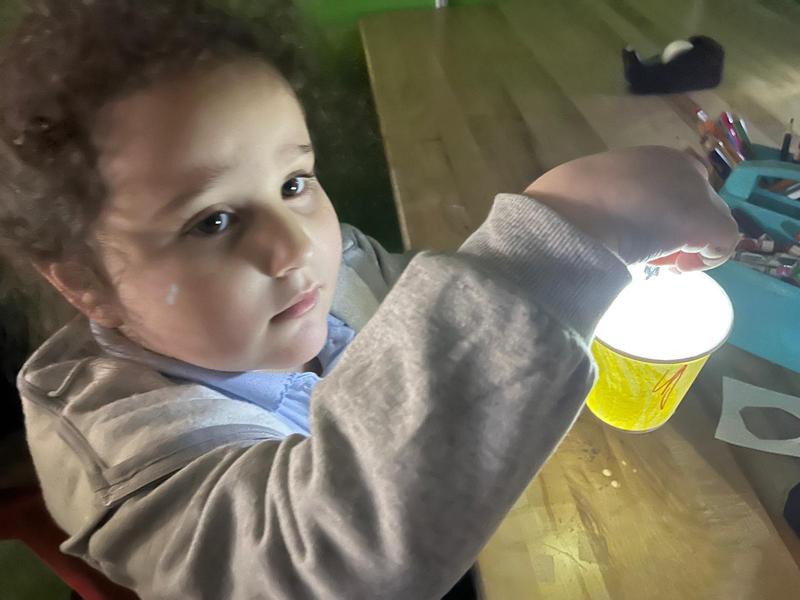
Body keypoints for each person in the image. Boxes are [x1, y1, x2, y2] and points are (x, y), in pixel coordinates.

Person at [0, 1, 738, 599]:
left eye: (294, 183)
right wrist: (559, 237)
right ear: (81, 280)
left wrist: (562, 285)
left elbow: (400, 296)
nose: (294, 248)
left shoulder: (328, 258)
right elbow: (319, 563)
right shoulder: (124, 451)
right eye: (212, 222)